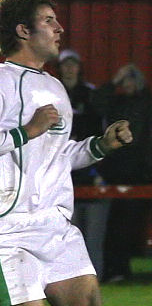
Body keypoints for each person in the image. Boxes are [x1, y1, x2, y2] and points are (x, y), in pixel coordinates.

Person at [0, 0, 133, 306]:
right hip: (7, 235)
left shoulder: (54, 86)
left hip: (56, 230)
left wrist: (100, 146)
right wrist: (25, 131)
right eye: (50, 21)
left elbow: (58, 158)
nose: (60, 28)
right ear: (23, 30)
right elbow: (24, 140)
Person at [94, 63, 152, 282]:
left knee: (133, 226)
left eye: (131, 80)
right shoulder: (116, 102)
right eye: (124, 81)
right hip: (117, 172)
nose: (128, 84)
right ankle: (116, 270)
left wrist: (150, 169)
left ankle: (127, 270)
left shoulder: (149, 104)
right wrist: (113, 81)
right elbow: (97, 103)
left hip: (139, 174)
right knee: (115, 226)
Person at [57, 48, 110, 280]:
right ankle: (66, 281)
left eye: (73, 64)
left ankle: (94, 280)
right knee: (65, 236)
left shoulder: (90, 94)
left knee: (93, 237)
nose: (69, 69)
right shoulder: (51, 90)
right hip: (60, 172)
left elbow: (101, 132)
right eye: (65, 65)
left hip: (89, 170)